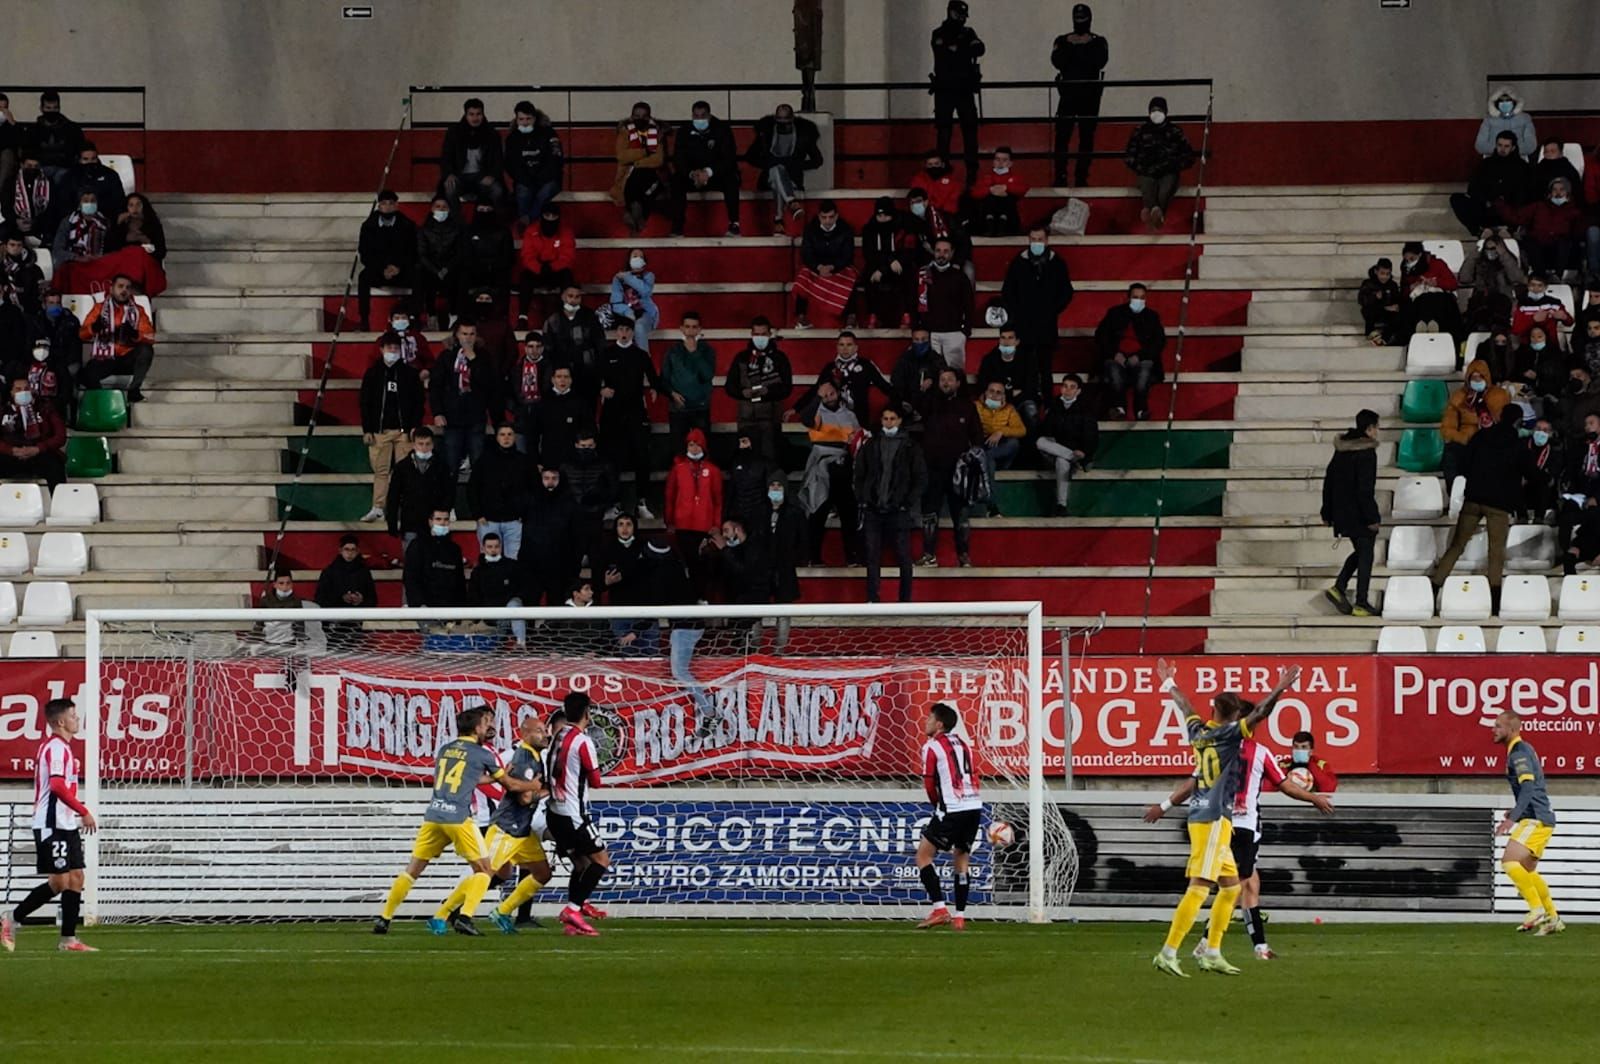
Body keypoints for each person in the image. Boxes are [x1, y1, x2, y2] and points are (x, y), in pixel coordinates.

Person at [1150, 659, 1301, 978]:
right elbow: (1260, 712)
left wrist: (1168, 682)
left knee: (1232, 888)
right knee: (1200, 887)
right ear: (1234, 716)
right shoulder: (1231, 736)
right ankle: (1168, 952)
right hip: (1211, 819)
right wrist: (1281, 687)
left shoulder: (1199, 730)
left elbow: (1184, 705)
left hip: (1217, 819)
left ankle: (1213, 952)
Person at [1144, 725, 1333, 962]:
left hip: (1220, 823)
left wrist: (1163, 807)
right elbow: (1285, 785)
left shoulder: (1215, 751)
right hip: (1244, 826)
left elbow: (1191, 785)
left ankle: (1260, 947)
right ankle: (1205, 943)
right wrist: (1314, 798)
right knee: (1236, 886)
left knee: (1250, 883)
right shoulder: (1260, 752)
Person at [373, 705, 531, 936]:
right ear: (477, 727)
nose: (489, 727)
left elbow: (469, 777)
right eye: (486, 723)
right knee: (485, 870)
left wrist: (491, 776)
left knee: (413, 870)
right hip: (458, 818)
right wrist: (535, 786)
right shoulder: (483, 753)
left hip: (434, 815)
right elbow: (511, 785)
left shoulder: (445, 749)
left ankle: (384, 917)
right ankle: (465, 917)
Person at [1, 698, 98, 953]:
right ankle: (12, 917)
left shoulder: (63, 748)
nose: (78, 720)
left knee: (76, 878)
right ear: (60, 722)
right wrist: (84, 810)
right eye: (74, 716)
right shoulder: (56, 748)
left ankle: (68, 940)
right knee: (59, 882)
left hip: (65, 823)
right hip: (51, 823)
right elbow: (56, 786)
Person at [1431, 405, 1525, 612]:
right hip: (1499, 505)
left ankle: (1434, 585)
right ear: (1519, 421)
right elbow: (1529, 472)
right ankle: (1494, 599)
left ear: (1500, 417)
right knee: (1495, 551)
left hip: (1473, 499)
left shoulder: (1481, 437)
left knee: (1457, 545)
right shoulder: (1517, 444)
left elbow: (1463, 463)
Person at [476, 713, 555, 933]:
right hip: (505, 825)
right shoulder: (521, 757)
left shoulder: (536, 756)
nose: (545, 734)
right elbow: (524, 797)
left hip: (522, 826)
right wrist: (548, 791)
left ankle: (504, 912)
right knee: (488, 873)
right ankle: (449, 913)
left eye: (545, 730)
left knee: (541, 872)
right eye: (539, 731)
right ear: (524, 733)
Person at [545, 691, 613, 936]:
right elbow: (595, 782)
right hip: (573, 813)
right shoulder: (583, 741)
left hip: (553, 813)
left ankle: (572, 921)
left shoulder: (557, 735)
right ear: (588, 713)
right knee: (601, 861)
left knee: (581, 864)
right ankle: (572, 909)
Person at [1490, 712, 1564, 935]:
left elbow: (1529, 787)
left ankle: (1536, 909)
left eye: (1498, 726)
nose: (1493, 730)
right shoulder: (1522, 749)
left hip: (1536, 819)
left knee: (1509, 863)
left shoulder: (1519, 753)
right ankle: (1552, 918)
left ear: (1512, 729)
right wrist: (1515, 811)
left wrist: (1512, 819)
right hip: (1542, 817)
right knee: (1527, 870)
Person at [913, 702, 982, 931]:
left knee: (923, 856)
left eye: (929, 718)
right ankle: (960, 917)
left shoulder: (932, 746)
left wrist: (937, 806)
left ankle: (940, 909)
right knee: (961, 859)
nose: (926, 722)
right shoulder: (964, 744)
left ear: (939, 724)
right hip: (974, 806)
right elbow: (974, 775)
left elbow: (929, 783)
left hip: (952, 808)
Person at [855, 406, 927, 603]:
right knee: (872, 557)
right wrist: (863, 497)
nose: (888, 422)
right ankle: (872, 600)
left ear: (900, 421)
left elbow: (920, 478)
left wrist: (906, 503)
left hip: (899, 510)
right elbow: (860, 474)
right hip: (873, 509)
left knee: (904, 557)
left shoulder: (911, 447)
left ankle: (905, 601)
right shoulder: (870, 445)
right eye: (885, 418)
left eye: (892, 418)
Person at [598, 318, 666, 518]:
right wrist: (602, 389)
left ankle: (641, 502)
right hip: (612, 414)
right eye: (621, 329)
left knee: (642, 458)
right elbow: (594, 380)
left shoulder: (641, 355)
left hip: (636, 412)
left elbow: (654, 378)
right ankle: (615, 503)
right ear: (616, 332)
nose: (624, 333)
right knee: (612, 460)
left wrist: (654, 388)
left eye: (628, 329)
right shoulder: (606, 354)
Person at [919, 368, 982, 568]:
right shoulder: (928, 404)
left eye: (949, 379)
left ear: (958, 383)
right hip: (933, 469)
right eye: (942, 379)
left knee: (961, 514)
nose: (945, 382)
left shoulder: (968, 407)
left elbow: (978, 438)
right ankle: (929, 555)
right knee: (929, 513)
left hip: (958, 471)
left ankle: (963, 555)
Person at [1320, 409, 1381, 618]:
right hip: (1359, 513)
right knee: (1366, 555)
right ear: (1369, 428)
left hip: (1341, 511)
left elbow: (1328, 480)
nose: (1377, 432)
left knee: (1361, 552)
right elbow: (1365, 489)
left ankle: (1339, 587)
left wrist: (1326, 511)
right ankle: (1361, 601)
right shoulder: (1367, 453)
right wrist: (1372, 518)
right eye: (1376, 428)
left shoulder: (1341, 449)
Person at [360, 331, 425, 522]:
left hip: (404, 432)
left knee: (404, 472)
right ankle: (378, 508)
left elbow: (418, 403)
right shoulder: (372, 374)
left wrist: (414, 426)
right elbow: (365, 403)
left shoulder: (410, 374)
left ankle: (404, 508)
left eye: (396, 348)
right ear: (381, 349)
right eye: (389, 348)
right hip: (380, 432)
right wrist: (367, 430)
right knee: (381, 472)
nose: (393, 351)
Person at [1001, 228, 1074, 397]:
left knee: (1045, 367)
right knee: (1024, 366)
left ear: (1047, 240)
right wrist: (1017, 312)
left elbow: (1066, 292)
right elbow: (1008, 292)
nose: (1036, 243)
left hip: (1046, 325)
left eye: (1040, 239)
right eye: (1033, 239)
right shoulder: (1018, 263)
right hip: (1023, 325)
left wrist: (1052, 309)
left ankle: (1047, 403)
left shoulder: (1057, 263)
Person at [795, 380, 861, 566]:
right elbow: (806, 420)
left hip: (844, 466)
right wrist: (817, 398)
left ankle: (852, 558)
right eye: (824, 395)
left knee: (849, 514)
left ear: (838, 393)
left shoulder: (850, 415)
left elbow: (856, 441)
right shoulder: (816, 413)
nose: (829, 397)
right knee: (818, 513)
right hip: (821, 466)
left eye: (831, 393)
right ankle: (813, 557)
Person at [1051, 4, 1109, 187]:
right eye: (1078, 17)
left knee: (1086, 136)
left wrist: (1075, 54)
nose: (1080, 21)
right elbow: (1057, 61)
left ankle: (1081, 177)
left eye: (1083, 18)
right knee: (1062, 136)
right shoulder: (1062, 40)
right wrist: (1081, 53)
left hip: (1089, 95)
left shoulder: (1099, 41)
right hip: (1068, 93)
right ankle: (1060, 175)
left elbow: (1099, 61)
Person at [726, 316, 794, 470]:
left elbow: (787, 388)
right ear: (751, 334)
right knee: (746, 459)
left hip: (770, 420)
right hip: (745, 420)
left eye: (763, 334)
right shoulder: (741, 358)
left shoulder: (779, 358)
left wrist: (767, 392)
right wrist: (743, 393)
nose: (760, 338)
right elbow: (729, 386)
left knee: (770, 460)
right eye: (757, 334)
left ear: (770, 334)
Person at [431, 320, 496, 482]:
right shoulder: (446, 356)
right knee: (450, 466)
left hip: (476, 418)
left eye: (472, 334)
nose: (468, 338)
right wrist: (437, 412)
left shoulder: (484, 357)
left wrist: (473, 359)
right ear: (456, 335)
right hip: (452, 418)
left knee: (478, 465)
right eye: (464, 334)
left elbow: (488, 384)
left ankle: (480, 506)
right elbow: (436, 386)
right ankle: (448, 505)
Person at [76, 275, 156, 403]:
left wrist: (135, 334)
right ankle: (104, 401)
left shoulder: (138, 311)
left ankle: (134, 391)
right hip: (105, 359)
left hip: (128, 358)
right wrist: (94, 328)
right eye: (120, 286)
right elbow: (82, 334)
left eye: (128, 288)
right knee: (84, 374)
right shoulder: (99, 308)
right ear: (111, 288)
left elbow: (150, 336)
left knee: (146, 350)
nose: (124, 290)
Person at [929, 0, 985, 180]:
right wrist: (964, 50)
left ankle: (972, 170)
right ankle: (942, 168)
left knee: (970, 130)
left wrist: (958, 50)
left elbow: (980, 48)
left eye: (963, 15)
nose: (961, 18)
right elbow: (943, 52)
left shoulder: (968, 32)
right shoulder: (938, 33)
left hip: (964, 89)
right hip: (945, 89)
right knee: (944, 132)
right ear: (950, 12)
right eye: (958, 14)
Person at [745, 104, 823, 230]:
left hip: (792, 177)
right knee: (776, 169)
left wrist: (795, 165)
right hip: (768, 177)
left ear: (792, 120)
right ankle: (791, 202)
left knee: (778, 180)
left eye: (786, 123)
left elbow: (817, 161)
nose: (783, 127)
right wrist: (769, 163)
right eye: (780, 123)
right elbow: (750, 156)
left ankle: (778, 220)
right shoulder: (766, 133)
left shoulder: (804, 135)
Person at [664, 428, 724, 587]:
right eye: (691, 445)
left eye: (697, 445)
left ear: (703, 447)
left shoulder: (713, 471)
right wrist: (669, 521)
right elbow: (670, 496)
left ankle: (701, 597)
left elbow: (718, 500)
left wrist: (716, 524)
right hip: (682, 525)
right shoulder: (678, 469)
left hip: (704, 526)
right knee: (686, 564)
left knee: (702, 564)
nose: (694, 448)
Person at [670, 101, 741, 237]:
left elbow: (728, 158)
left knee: (731, 179)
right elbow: (678, 159)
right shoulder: (684, 131)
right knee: (676, 181)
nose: (700, 119)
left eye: (703, 115)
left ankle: (734, 224)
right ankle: (677, 227)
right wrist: (692, 174)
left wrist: (708, 172)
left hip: (716, 175)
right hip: (693, 177)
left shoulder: (722, 129)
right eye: (696, 116)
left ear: (709, 115)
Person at [1096, 283, 1165, 420]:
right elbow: (1101, 336)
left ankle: (1141, 410)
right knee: (1114, 373)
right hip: (1116, 357)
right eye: (1135, 297)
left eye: (1142, 297)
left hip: (1141, 358)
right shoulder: (1114, 313)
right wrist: (1114, 353)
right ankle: (1119, 409)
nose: (1139, 300)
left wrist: (1140, 356)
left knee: (1144, 373)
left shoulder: (1152, 316)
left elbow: (1159, 342)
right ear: (1128, 297)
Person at [1125, 97, 1195, 230]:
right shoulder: (1140, 131)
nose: (1156, 113)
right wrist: (1141, 167)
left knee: (1165, 191)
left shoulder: (1175, 131)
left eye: (1159, 110)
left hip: (1168, 172)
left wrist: (1173, 165)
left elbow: (1188, 156)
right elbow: (1129, 155)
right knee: (1147, 187)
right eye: (1153, 110)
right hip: (1146, 171)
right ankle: (1155, 214)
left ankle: (1153, 213)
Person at [797, 330, 896, 423]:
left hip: (859, 419)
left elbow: (884, 386)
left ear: (856, 347)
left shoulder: (866, 365)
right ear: (837, 347)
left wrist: (901, 402)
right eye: (841, 345)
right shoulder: (830, 367)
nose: (845, 348)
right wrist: (796, 408)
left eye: (849, 345)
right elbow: (816, 389)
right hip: (834, 419)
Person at [1440, 358, 1510, 490]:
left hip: (1492, 440)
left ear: (1487, 377)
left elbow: (1506, 421)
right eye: (1474, 377)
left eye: (1480, 377)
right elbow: (1447, 427)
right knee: (1451, 452)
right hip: (1467, 440)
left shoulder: (1500, 395)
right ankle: (1457, 492)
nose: (1477, 381)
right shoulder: (1458, 396)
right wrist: (1464, 439)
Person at [1499, 177, 1585, 281]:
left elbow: (1579, 231)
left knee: (1566, 242)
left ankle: (1557, 277)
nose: (1558, 193)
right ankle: (1540, 278)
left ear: (1568, 193)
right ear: (1550, 192)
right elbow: (1516, 217)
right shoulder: (1538, 206)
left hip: (1560, 246)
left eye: (1562, 189)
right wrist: (1500, 204)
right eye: (1555, 189)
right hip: (1539, 243)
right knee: (1530, 242)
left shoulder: (1574, 212)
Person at [522, 466, 584, 609]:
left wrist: (574, 563)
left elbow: (577, 537)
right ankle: (530, 632)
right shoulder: (531, 501)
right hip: (534, 565)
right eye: (546, 478)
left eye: (554, 478)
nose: (550, 482)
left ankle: (553, 632)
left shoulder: (570, 504)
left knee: (556, 604)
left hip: (560, 566)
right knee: (530, 603)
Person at [354, 190, 416, 332]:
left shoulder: (408, 225)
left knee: (418, 276)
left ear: (397, 205)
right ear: (379, 206)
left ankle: (416, 319)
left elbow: (413, 252)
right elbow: (365, 254)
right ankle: (364, 320)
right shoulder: (368, 226)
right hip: (379, 271)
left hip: (401, 270)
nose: (387, 207)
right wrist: (382, 269)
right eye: (384, 204)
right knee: (363, 277)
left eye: (391, 203)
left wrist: (398, 267)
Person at [468, 423, 534, 559]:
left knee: (514, 562)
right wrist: (478, 514)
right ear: (497, 438)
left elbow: (533, 489)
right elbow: (473, 487)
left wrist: (525, 514)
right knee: (489, 561)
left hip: (515, 521)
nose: (506, 438)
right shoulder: (485, 460)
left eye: (510, 434)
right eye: (502, 434)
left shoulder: (524, 461)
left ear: (515, 437)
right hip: (488, 521)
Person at [1036, 375, 1096, 517]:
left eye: (1072, 387)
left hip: (1076, 452)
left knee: (1062, 463)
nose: (1067, 390)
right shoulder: (1055, 405)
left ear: (1078, 391)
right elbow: (1046, 430)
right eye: (1065, 386)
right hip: (1056, 450)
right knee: (1040, 441)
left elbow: (1091, 435)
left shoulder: (1085, 409)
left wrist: (1085, 452)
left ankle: (1061, 504)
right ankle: (1071, 457)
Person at [386, 427, 455, 552]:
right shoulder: (402, 467)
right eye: (420, 444)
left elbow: (449, 493)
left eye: (427, 444)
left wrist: (443, 516)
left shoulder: (442, 466)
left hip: (435, 524)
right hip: (410, 523)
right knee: (412, 564)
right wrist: (392, 521)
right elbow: (393, 496)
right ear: (413, 444)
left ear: (433, 444)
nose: (424, 447)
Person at [1451, 130, 1532, 235]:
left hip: (1510, 210)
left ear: (1513, 148)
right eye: (1500, 145)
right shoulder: (1485, 164)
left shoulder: (1522, 167)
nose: (1502, 149)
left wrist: (1506, 202)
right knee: (1457, 199)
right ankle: (1480, 231)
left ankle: (1510, 229)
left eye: (1506, 146)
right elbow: (1473, 188)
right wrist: (1487, 201)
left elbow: (1525, 191)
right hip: (1487, 208)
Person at [793, 200, 856, 330]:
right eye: (824, 217)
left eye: (831, 217)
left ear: (836, 216)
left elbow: (847, 255)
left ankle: (851, 317)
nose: (827, 221)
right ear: (819, 216)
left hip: (838, 267)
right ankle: (801, 317)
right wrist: (818, 267)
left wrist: (833, 267)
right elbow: (806, 254)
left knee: (851, 276)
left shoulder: (845, 229)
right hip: (817, 267)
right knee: (803, 276)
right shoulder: (810, 229)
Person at [504, 100, 563, 232]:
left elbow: (556, 159)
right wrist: (526, 179)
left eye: (528, 119)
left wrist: (540, 178)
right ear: (516, 119)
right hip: (525, 180)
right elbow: (511, 164)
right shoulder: (512, 138)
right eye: (521, 119)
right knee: (523, 192)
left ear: (535, 118)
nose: (525, 122)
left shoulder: (549, 133)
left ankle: (527, 220)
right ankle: (531, 226)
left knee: (544, 192)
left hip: (549, 179)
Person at [918, 237, 975, 374]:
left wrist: (965, 331)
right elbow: (916, 302)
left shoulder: (960, 277)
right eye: (938, 251)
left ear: (952, 253)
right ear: (933, 252)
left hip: (954, 334)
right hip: (930, 334)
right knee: (932, 375)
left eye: (945, 251)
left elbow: (969, 305)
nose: (941, 255)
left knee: (955, 375)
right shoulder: (923, 275)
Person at [662, 310, 716, 453]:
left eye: (694, 327)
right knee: (678, 449)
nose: (690, 330)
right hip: (678, 407)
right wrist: (672, 394)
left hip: (701, 407)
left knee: (703, 447)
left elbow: (708, 375)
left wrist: (695, 353)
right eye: (687, 326)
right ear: (681, 328)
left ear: (699, 329)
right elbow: (664, 378)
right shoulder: (672, 351)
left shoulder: (707, 350)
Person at [561, 429, 619, 561]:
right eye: (583, 446)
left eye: (589, 446)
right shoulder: (565, 466)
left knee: (596, 556)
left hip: (596, 515)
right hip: (573, 516)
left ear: (595, 445)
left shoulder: (605, 465)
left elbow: (613, 490)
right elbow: (561, 491)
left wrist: (601, 504)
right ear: (576, 445)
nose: (586, 449)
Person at [543, 284, 607, 403]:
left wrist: (600, 373)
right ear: (563, 297)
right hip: (563, 375)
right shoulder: (554, 319)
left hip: (587, 372)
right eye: (570, 296)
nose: (573, 300)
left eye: (577, 297)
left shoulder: (589, 316)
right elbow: (548, 348)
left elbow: (600, 344)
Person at [857, 197, 914, 329]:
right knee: (870, 274)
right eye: (879, 215)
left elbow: (909, 251)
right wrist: (886, 265)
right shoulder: (869, 229)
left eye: (886, 215)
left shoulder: (904, 226)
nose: (882, 219)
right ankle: (873, 315)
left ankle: (906, 315)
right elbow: (869, 254)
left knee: (907, 273)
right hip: (879, 265)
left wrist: (894, 262)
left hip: (900, 264)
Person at [515, 203, 576, 328]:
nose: (550, 219)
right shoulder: (531, 231)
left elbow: (567, 256)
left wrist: (553, 267)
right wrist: (539, 268)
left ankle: (567, 315)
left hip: (556, 271)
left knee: (568, 277)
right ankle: (522, 317)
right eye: (547, 215)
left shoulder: (566, 232)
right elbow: (527, 255)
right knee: (525, 277)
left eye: (554, 216)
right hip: (538, 270)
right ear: (542, 216)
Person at [611, 102, 666, 235]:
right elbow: (622, 156)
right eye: (636, 116)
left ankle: (632, 211)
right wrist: (646, 151)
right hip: (627, 178)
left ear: (649, 117)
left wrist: (636, 162)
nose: (640, 119)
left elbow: (658, 160)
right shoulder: (625, 132)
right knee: (638, 180)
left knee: (642, 175)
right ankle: (638, 218)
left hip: (651, 177)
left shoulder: (655, 132)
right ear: (631, 117)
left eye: (643, 116)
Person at [438, 98, 504, 208]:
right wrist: (449, 174)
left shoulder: (492, 134)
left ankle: (493, 223)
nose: (475, 118)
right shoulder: (454, 133)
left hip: (482, 177)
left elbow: (498, 160)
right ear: (465, 115)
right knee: (449, 189)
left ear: (483, 114)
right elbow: (446, 157)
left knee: (497, 191)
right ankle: (458, 223)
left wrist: (492, 175)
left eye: (478, 114)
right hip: (460, 176)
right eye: (471, 114)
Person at [315, 535, 377, 646]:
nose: (350, 553)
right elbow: (320, 599)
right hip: (333, 624)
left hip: (355, 624)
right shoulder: (329, 572)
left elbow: (373, 599)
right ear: (340, 551)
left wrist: (361, 600)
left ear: (358, 551)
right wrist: (341, 598)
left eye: (353, 550)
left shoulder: (364, 572)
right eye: (347, 549)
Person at [467, 531, 526, 647]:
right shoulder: (478, 572)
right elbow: (473, 597)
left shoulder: (512, 566)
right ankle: (497, 646)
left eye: (496, 546)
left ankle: (521, 644)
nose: (493, 550)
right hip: (487, 615)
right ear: (483, 548)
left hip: (509, 613)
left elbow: (523, 589)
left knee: (514, 605)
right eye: (489, 547)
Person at [1458, 233, 1525, 333]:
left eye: (1493, 248)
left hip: (1502, 299)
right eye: (1488, 248)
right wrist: (1472, 258)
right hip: (1481, 299)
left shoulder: (1509, 260)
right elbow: (1464, 278)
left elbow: (1517, 278)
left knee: (1498, 304)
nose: (1490, 251)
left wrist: (1504, 256)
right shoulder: (1479, 262)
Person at [976, 380, 1026, 514]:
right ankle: (992, 507)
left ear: (1003, 396)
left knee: (1014, 443)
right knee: (988, 460)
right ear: (985, 393)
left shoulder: (1009, 409)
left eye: (998, 393)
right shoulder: (976, 406)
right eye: (991, 391)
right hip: (983, 449)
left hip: (1002, 452)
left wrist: (1001, 432)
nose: (994, 395)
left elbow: (1022, 430)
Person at [414, 196, 463, 329]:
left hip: (450, 268)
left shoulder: (457, 230)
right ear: (432, 209)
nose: (441, 210)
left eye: (444, 207)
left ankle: (454, 316)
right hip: (430, 269)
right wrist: (436, 271)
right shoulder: (423, 230)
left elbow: (459, 253)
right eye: (438, 207)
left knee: (459, 276)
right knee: (421, 274)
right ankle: (430, 316)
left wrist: (447, 268)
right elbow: (422, 254)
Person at [977, 326, 1040, 428]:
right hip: (996, 399)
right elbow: (982, 385)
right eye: (1003, 337)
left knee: (1030, 408)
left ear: (1017, 341)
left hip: (1021, 400)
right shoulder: (989, 360)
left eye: (1010, 338)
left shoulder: (1028, 360)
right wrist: (1009, 394)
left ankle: (1031, 443)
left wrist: (1007, 395)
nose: (1006, 341)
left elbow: (1031, 388)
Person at [404, 509, 468, 609]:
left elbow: (459, 581)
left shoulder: (455, 549)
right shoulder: (417, 546)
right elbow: (411, 578)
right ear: (430, 522)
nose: (442, 523)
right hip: (425, 608)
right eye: (438, 519)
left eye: (446, 519)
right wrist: (419, 604)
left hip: (451, 610)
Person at [456, 201, 512, 306]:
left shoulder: (504, 231)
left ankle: (502, 316)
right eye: (481, 210)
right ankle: (462, 316)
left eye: (488, 210)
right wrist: (477, 267)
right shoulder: (468, 231)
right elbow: (465, 254)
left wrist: (492, 267)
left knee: (504, 277)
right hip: (473, 271)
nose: (484, 213)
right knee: (462, 277)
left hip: (496, 271)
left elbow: (507, 256)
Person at [505, 331, 551, 455]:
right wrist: (516, 409)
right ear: (525, 348)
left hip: (544, 420)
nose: (534, 350)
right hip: (522, 419)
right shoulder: (516, 369)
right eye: (531, 346)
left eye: (538, 346)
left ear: (542, 348)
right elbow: (508, 394)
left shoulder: (550, 368)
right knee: (522, 457)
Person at [607, 249, 659, 351]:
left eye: (641, 257)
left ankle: (644, 361)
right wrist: (629, 312)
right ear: (629, 260)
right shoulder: (618, 278)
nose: (638, 259)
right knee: (624, 329)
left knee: (639, 326)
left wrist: (628, 277)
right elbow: (616, 302)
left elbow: (645, 291)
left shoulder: (649, 276)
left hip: (645, 314)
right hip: (625, 314)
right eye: (635, 256)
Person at [891, 327, 944, 426]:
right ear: (912, 340)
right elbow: (896, 381)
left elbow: (944, 378)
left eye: (923, 339)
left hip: (931, 405)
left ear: (929, 340)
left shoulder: (936, 358)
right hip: (909, 402)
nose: (920, 343)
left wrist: (933, 380)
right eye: (917, 339)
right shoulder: (904, 359)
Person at [725, 431, 775, 534]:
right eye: (739, 442)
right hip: (739, 515)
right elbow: (731, 491)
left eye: (744, 441)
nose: (741, 446)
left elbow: (771, 489)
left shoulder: (766, 463)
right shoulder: (735, 462)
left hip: (760, 516)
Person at [974, 147, 1030, 237]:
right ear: (993, 162)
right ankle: (991, 225)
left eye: (1004, 160)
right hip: (986, 222)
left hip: (1010, 222)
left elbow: (1023, 189)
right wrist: (990, 190)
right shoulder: (985, 177)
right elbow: (975, 193)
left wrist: (1006, 188)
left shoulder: (1016, 177)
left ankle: (1002, 224)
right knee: (989, 199)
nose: (1000, 163)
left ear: (1010, 163)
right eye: (997, 159)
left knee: (1008, 198)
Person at [65, 142, 124, 223]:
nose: (90, 162)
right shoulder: (70, 176)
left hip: (106, 218)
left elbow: (119, 200)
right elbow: (64, 202)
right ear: (79, 160)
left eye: (93, 159)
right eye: (85, 159)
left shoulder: (110, 175)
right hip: (75, 219)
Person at [1510, 271, 1574, 340]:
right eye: (1532, 285)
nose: (1536, 289)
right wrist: (1532, 319)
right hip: (1528, 346)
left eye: (1540, 285)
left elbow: (1570, 322)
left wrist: (1564, 317)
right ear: (1528, 286)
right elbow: (1516, 330)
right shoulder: (1522, 305)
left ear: (1545, 287)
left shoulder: (1554, 303)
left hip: (1550, 346)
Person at [7, 151, 55, 244]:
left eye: (36, 166)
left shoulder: (48, 182)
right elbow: (6, 207)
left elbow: (52, 207)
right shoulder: (11, 181)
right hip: (16, 223)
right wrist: (16, 221)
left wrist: (35, 222)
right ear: (22, 165)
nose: (32, 169)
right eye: (29, 166)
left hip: (40, 223)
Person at [1476, 86, 1536, 158]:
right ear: (1496, 103)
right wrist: (1501, 151)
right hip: (1493, 160)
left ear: (1514, 102)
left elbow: (1531, 145)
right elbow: (1480, 145)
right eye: (1501, 101)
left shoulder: (1525, 118)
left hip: (1518, 160)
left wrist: (1511, 150)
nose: (1505, 103)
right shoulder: (1489, 120)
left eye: (1508, 100)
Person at [1357, 257, 1403, 347]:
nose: (1384, 277)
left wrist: (1396, 306)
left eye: (1387, 274)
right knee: (1369, 309)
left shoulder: (1392, 285)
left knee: (1399, 315)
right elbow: (1361, 300)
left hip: (1387, 313)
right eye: (1382, 273)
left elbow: (1397, 299)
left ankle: (1385, 338)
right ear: (1376, 271)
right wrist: (1375, 297)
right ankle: (1370, 333)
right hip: (1373, 311)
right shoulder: (1368, 283)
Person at [109, 191, 166, 264]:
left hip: (146, 261)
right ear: (127, 208)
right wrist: (117, 224)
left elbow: (161, 252)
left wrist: (146, 244)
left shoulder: (153, 224)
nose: (135, 208)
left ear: (143, 206)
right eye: (131, 205)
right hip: (125, 262)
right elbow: (112, 249)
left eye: (138, 205)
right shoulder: (122, 225)